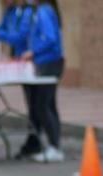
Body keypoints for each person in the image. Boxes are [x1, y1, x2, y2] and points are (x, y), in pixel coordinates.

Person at [0, 0, 41, 159]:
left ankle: (40, 141)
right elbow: (1, 31)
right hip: (20, 62)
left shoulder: (27, 12)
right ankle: (33, 140)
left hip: (32, 62)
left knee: (39, 104)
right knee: (31, 103)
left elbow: (19, 37)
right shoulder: (9, 12)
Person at [20, 0, 64, 163]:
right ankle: (55, 144)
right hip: (49, 62)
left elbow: (50, 38)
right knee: (49, 105)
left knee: (42, 106)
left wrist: (33, 52)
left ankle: (55, 146)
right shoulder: (42, 10)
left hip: (49, 63)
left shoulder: (43, 12)